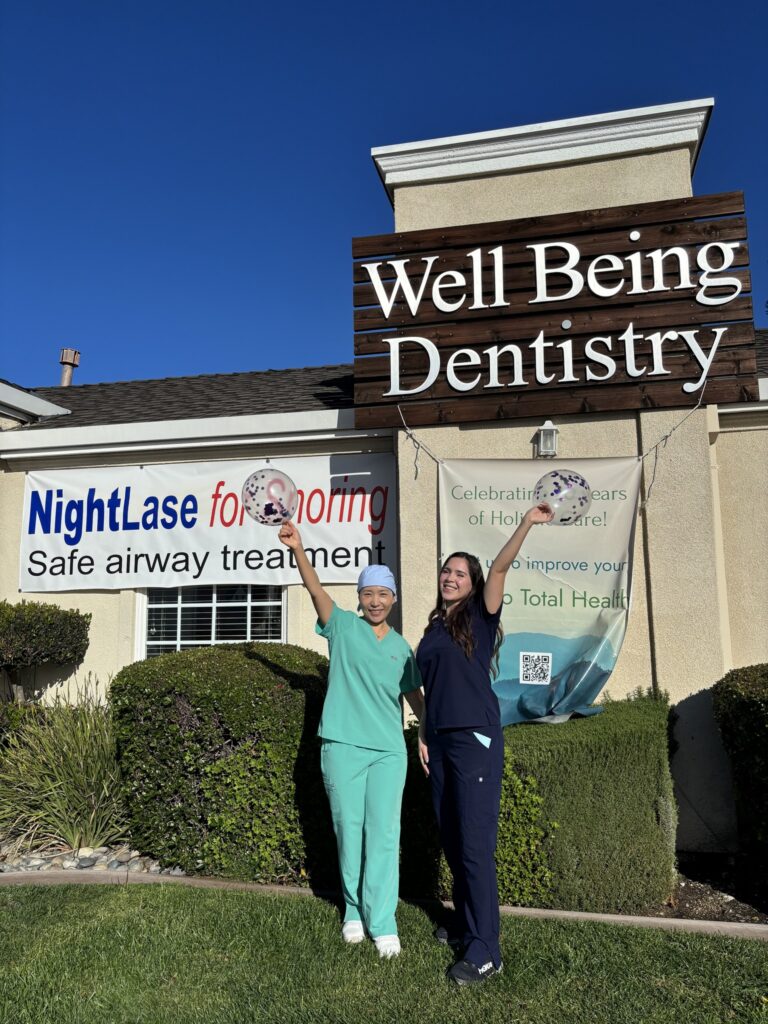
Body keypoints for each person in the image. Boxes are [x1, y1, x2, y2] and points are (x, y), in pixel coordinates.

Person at [416, 502, 554, 985]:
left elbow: (499, 567)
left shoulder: (480, 614)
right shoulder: (435, 627)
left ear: (473, 584)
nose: (450, 577)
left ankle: (486, 950)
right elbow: (432, 688)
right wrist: (424, 732)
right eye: (446, 571)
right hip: (440, 741)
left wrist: (527, 522)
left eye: (460, 573)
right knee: (453, 838)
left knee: (474, 845)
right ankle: (465, 923)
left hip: (475, 740)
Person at [278, 520, 424, 958]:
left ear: (393, 599)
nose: (375, 601)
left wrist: (429, 733)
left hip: (388, 753)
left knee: (384, 834)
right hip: (342, 747)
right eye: (368, 594)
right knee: (350, 831)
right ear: (359, 598)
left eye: (383, 594)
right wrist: (298, 549)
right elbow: (315, 590)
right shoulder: (341, 626)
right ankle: (354, 911)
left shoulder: (402, 648)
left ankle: (384, 920)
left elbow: (415, 697)